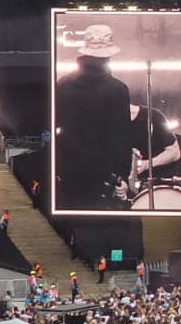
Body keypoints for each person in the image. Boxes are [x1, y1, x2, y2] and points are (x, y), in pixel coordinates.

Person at [53, 24, 134, 209]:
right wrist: (121, 176)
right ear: (108, 57)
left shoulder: (62, 85)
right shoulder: (118, 90)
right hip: (104, 180)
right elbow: (121, 137)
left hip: (69, 173)